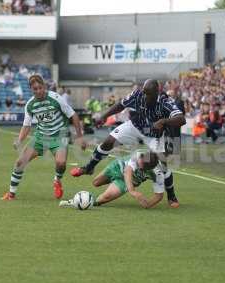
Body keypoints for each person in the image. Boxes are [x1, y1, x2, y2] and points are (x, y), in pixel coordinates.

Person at [70, 79, 186, 208]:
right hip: (135, 126)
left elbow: (181, 119)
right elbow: (121, 105)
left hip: (154, 135)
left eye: (149, 95)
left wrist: (164, 121)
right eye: (144, 93)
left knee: (162, 163)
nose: (145, 97)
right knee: (108, 141)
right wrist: (104, 116)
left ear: (156, 94)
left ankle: (171, 196)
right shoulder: (137, 95)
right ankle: (89, 167)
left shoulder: (165, 101)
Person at [1, 74, 86, 201]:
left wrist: (79, 137)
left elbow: (73, 115)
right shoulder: (30, 105)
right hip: (41, 136)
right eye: (35, 89)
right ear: (31, 89)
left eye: (40, 88)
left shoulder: (56, 98)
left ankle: (57, 180)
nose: (39, 91)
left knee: (61, 163)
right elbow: (26, 125)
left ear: (44, 86)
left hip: (59, 135)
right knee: (20, 162)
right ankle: (11, 194)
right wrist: (19, 140)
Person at [60, 151, 165, 209]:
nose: (139, 163)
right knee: (95, 183)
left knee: (105, 197)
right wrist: (132, 191)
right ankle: (106, 179)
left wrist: (148, 204)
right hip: (117, 167)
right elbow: (128, 171)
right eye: (140, 161)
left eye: (141, 165)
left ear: (149, 168)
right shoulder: (139, 155)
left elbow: (159, 195)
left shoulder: (158, 173)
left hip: (127, 181)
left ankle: (81, 202)